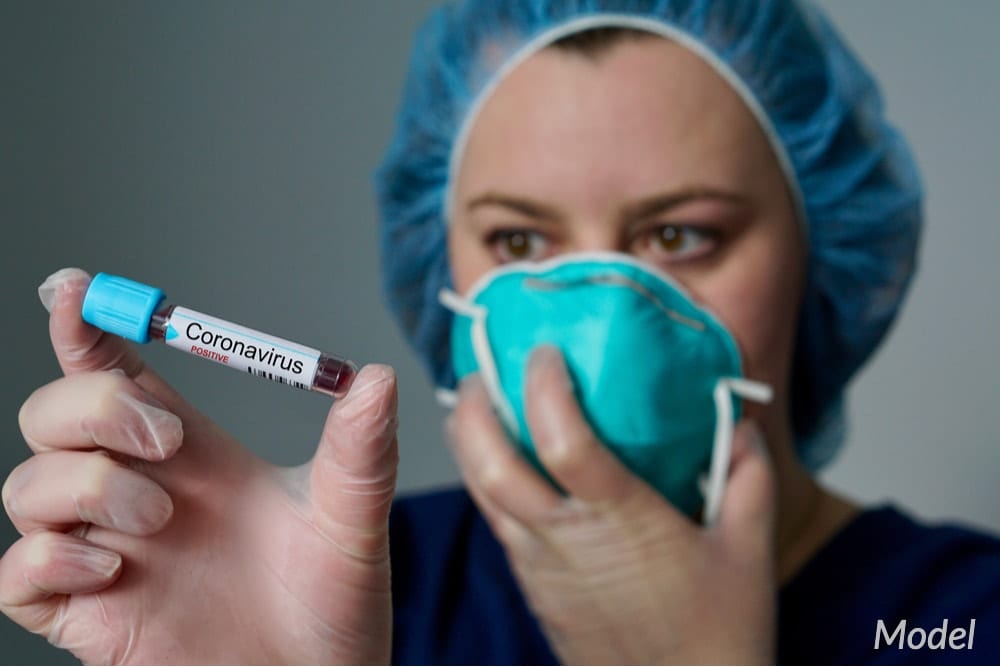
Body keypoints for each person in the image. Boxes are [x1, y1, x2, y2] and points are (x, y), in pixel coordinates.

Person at [2, 0, 998, 664]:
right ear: (446, 270)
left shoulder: (960, 618)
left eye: (678, 233)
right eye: (519, 239)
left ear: (823, 249)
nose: (597, 311)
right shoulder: (353, 582)